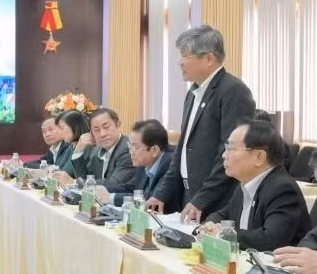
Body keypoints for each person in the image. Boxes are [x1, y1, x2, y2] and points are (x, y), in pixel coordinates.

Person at [147, 25, 256, 221]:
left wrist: (201, 199)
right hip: (188, 194)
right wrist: (161, 193)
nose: (180, 63)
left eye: (185, 56)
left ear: (209, 58)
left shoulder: (234, 91)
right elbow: (182, 149)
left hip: (217, 200)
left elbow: (230, 153)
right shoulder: (193, 93)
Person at [200, 121, 310, 251]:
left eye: (231, 148)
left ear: (259, 157)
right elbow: (221, 215)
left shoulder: (282, 189)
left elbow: (270, 239)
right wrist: (211, 226)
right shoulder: (245, 184)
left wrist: (221, 234)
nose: (224, 155)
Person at [95, 119, 176, 208]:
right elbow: (131, 188)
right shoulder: (144, 162)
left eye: (136, 147)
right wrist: (101, 190)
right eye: (130, 145)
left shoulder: (172, 165)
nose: (131, 152)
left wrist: (110, 198)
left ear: (154, 150)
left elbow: (149, 200)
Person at [64, 108, 136, 192]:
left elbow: (114, 184)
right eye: (96, 130)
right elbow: (87, 178)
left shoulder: (128, 149)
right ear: (91, 133)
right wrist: (78, 151)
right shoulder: (96, 151)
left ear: (118, 125)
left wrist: (74, 182)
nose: (102, 134)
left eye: (106, 127)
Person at [51, 110, 90, 178]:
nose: (60, 133)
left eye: (62, 128)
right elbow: (58, 167)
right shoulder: (71, 146)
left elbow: (66, 172)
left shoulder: (87, 146)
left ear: (75, 127)